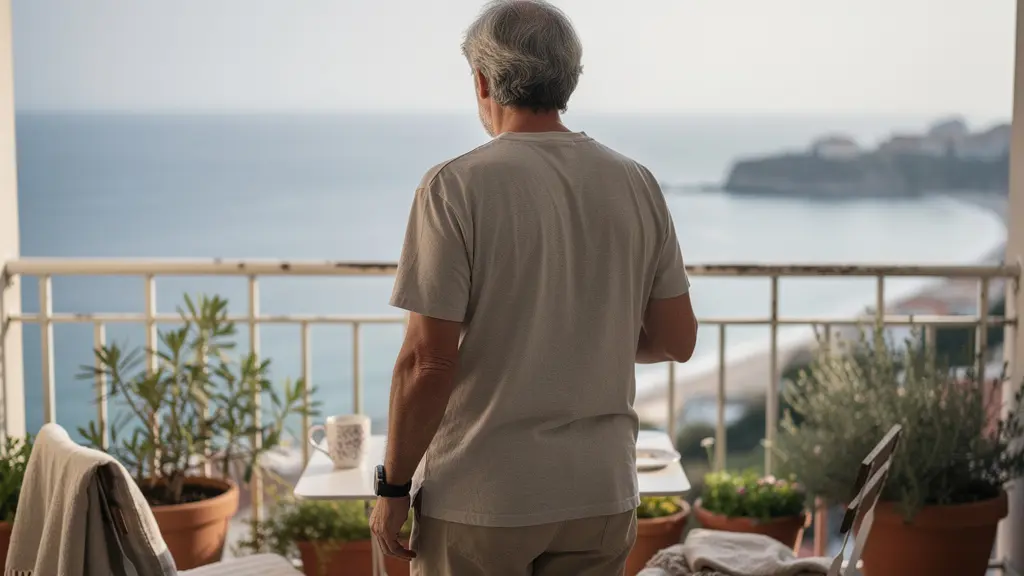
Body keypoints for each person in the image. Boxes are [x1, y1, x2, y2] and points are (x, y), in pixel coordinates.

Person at [369, 1, 698, 574]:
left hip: (485, 497)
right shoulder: (636, 182)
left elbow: (427, 362)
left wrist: (393, 488)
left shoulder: (454, 187)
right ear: (569, 78)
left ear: (482, 81)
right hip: (602, 494)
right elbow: (677, 341)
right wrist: (583, 336)